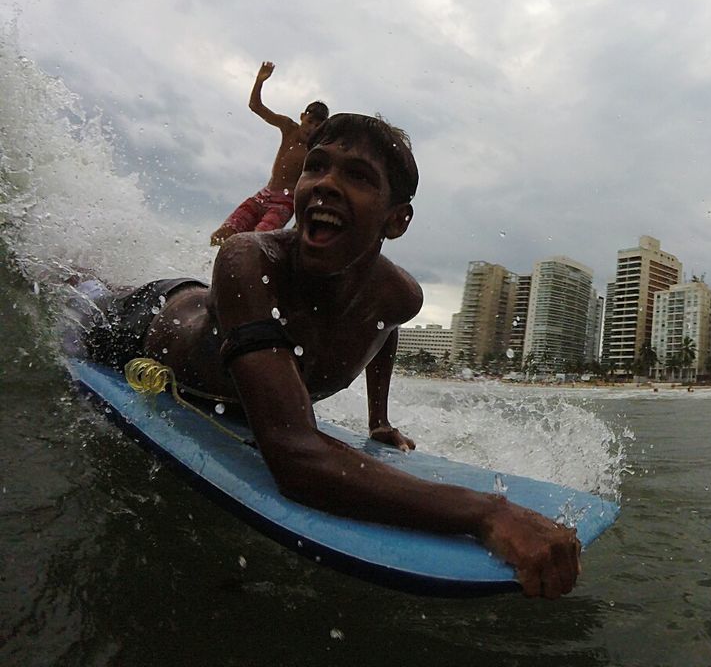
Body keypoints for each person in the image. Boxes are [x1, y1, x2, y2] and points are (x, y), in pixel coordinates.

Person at [88, 113, 581, 598]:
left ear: (397, 218)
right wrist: (487, 512)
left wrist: (378, 420)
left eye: (358, 176)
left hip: (221, 339)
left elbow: (384, 332)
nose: (325, 184)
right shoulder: (248, 259)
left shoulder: (401, 295)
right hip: (143, 321)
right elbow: (294, 459)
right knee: (80, 298)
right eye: (315, 165)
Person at [209, 61, 329, 246]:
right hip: (264, 194)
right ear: (302, 116)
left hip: (285, 203)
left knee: (255, 242)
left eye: (318, 125)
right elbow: (255, 106)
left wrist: (301, 223)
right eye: (310, 121)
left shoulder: (317, 151)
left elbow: (314, 187)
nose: (311, 128)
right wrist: (259, 81)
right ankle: (205, 269)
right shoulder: (288, 128)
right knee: (222, 235)